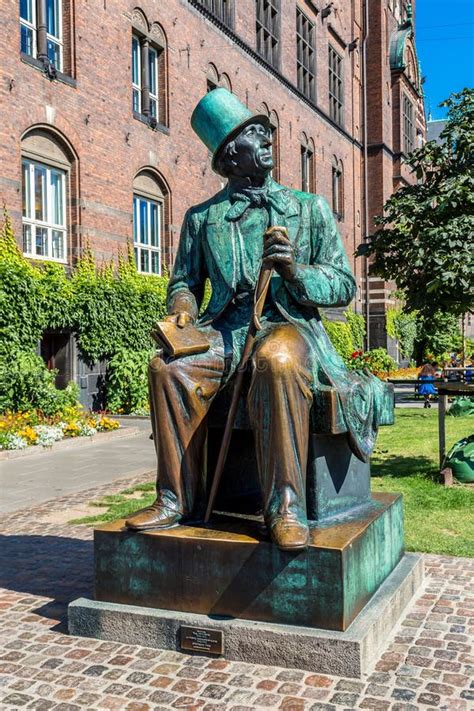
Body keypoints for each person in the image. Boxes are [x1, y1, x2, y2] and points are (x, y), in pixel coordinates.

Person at [125, 89, 392, 550]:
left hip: (290, 325)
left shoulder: (308, 209)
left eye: (265, 131)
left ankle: (285, 507)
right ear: (231, 154)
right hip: (223, 332)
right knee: (166, 369)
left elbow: (343, 283)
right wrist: (184, 309)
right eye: (253, 133)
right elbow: (183, 281)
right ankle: (175, 498)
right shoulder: (202, 218)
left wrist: (295, 272)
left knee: (279, 358)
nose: (267, 138)